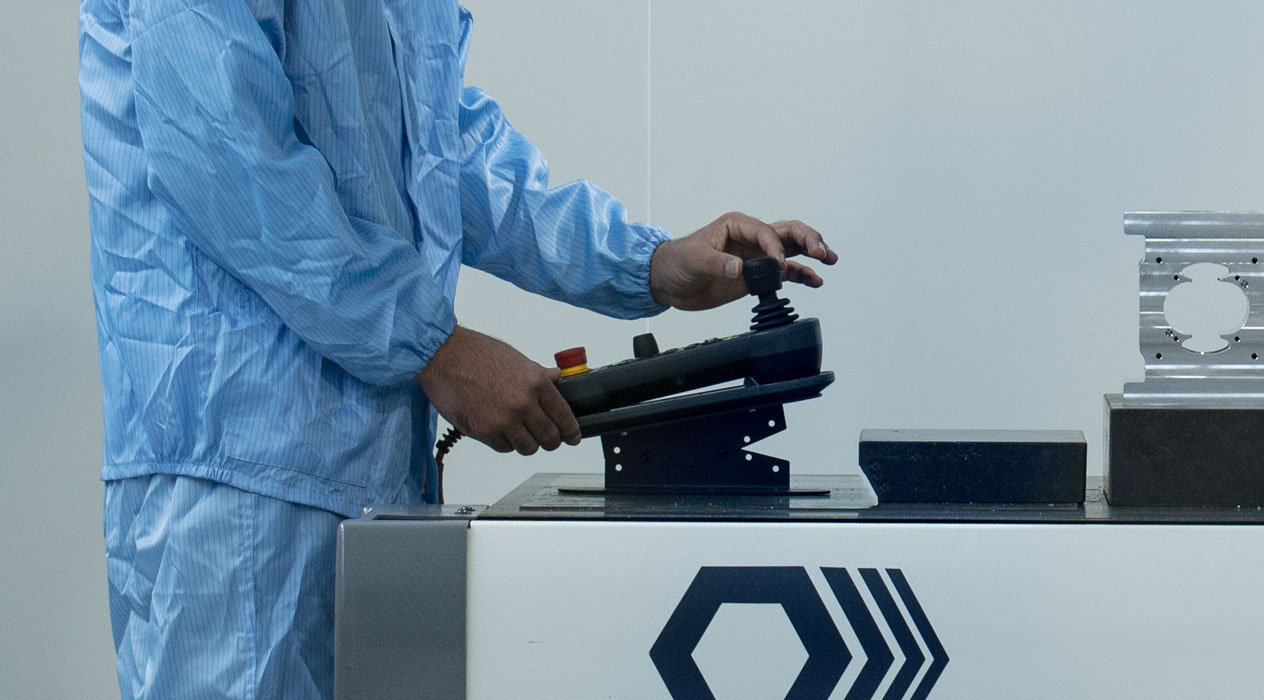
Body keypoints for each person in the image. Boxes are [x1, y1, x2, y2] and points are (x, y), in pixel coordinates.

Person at [78, 1, 837, 698]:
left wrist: (646, 263)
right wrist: (435, 349)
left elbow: (447, 154)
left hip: (373, 474)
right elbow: (226, 157)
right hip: (235, 470)